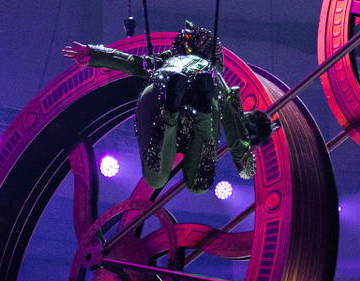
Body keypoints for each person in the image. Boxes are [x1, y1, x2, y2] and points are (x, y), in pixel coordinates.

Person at [62, 22, 275, 193]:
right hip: (203, 100)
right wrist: (250, 156)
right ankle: (199, 110)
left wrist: (95, 55)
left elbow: (135, 64)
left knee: (156, 177)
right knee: (197, 183)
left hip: (159, 88)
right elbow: (244, 163)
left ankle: (171, 111)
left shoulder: (170, 59)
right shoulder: (220, 82)